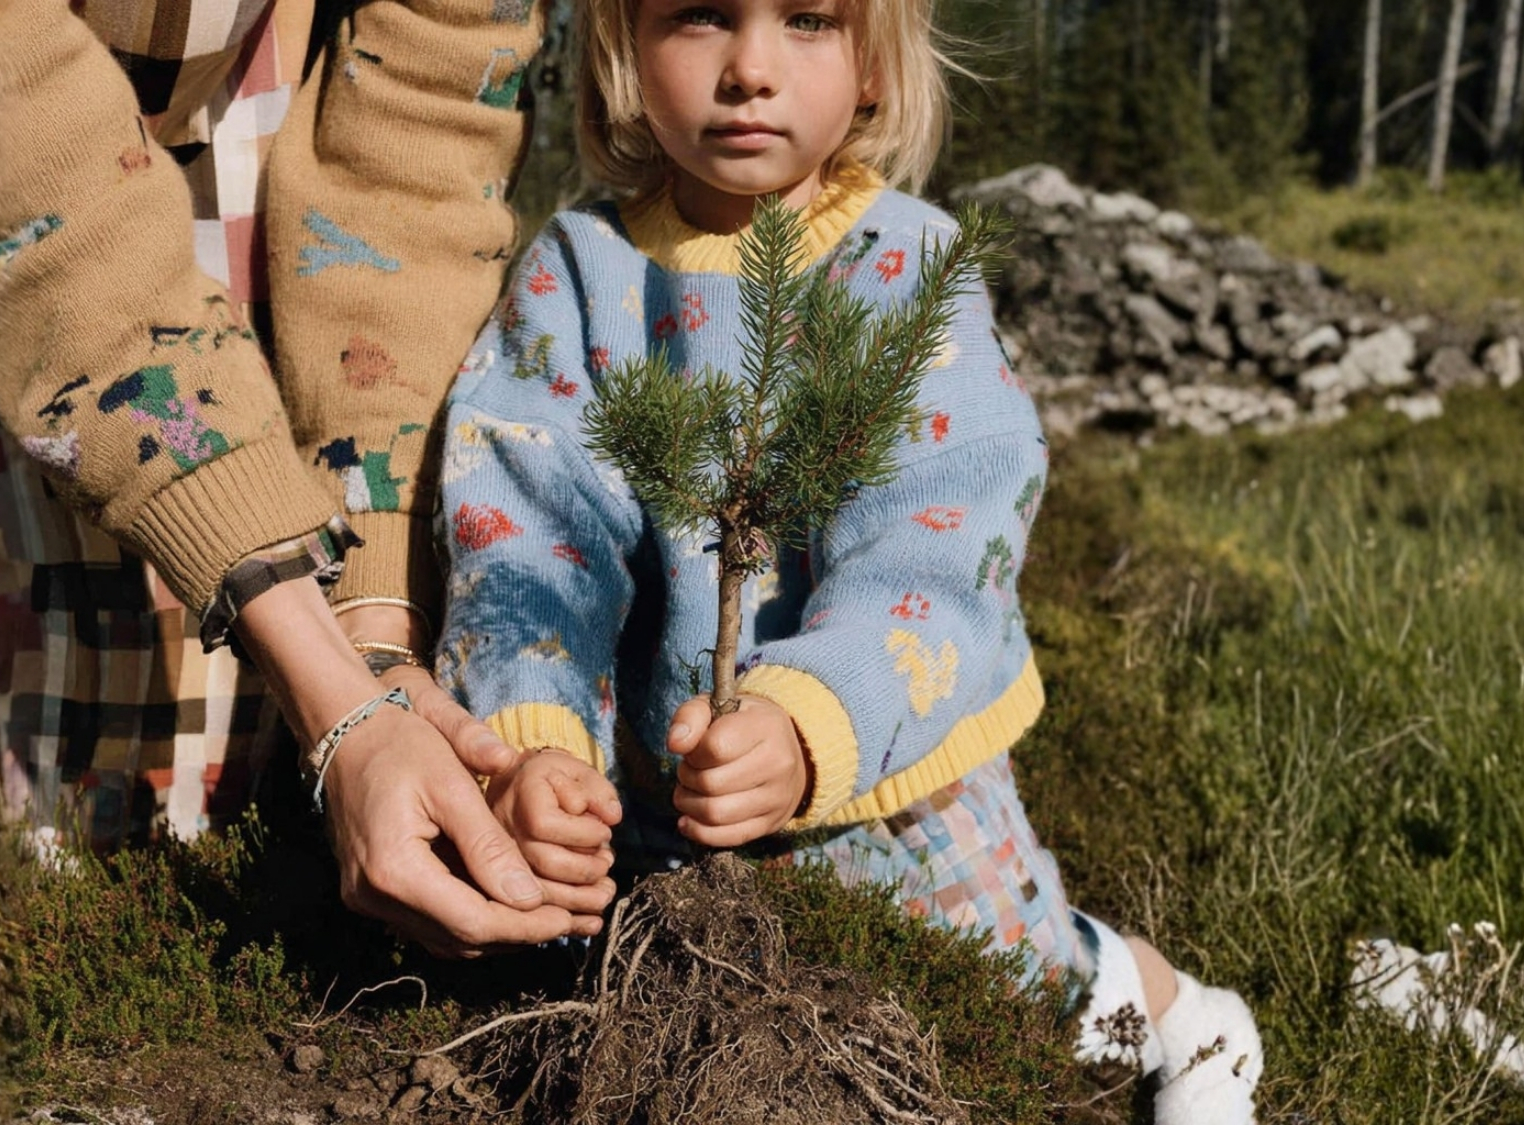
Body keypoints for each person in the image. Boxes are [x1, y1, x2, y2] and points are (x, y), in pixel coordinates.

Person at [433, 0, 1265, 1117]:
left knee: (1021, 998)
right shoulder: (576, 276)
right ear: (622, 49)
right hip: (652, 807)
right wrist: (534, 744)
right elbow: (525, 534)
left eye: (809, 20)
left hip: (885, 787)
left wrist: (807, 715)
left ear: (872, 66)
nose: (750, 70)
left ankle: (1185, 1021)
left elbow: (942, 534)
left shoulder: (906, 271)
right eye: (699, 18)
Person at [0, 0, 603, 957]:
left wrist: (375, 636)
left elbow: (412, 150)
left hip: (224, 186)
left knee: (194, 817)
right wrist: (338, 711)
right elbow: (28, 146)